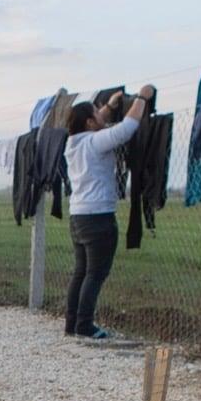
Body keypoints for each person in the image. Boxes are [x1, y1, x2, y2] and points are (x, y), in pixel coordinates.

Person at [63, 85, 153, 339]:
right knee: (95, 273)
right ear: (90, 123)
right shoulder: (94, 141)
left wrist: (111, 105)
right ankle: (84, 325)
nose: (102, 115)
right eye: (97, 113)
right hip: (98, 217)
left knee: (81, 272)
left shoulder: (73, 142)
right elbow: (126, 129)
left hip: (78, 216)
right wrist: (142, 98)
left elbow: (96, 121)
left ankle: (72, 323)